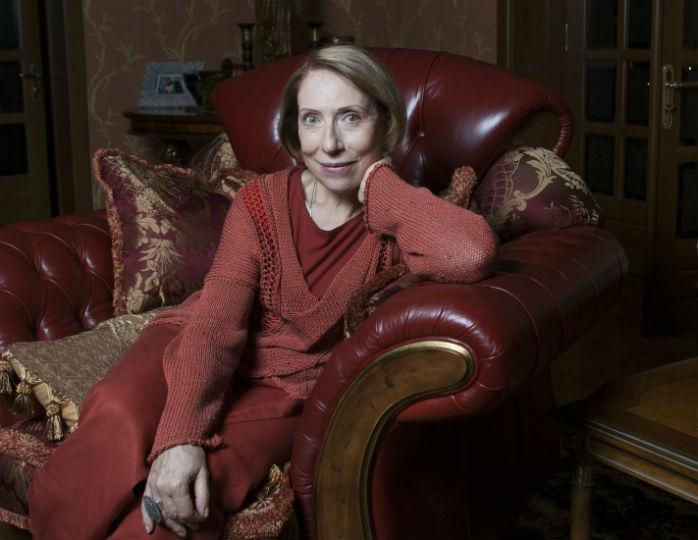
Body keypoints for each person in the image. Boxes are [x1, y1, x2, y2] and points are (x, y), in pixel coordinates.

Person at [27, 44, 498, 539]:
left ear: (386, 122)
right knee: (119, 414)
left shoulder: (399, 220)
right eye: (312, 120)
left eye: (351, 118)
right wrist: (181, 435)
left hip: (291, 386)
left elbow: (471, 254)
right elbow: (216, 324)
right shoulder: (260, 202)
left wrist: (381, 185)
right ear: (295, 130)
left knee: (197, 492)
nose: (330, 144)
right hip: (201, 344)